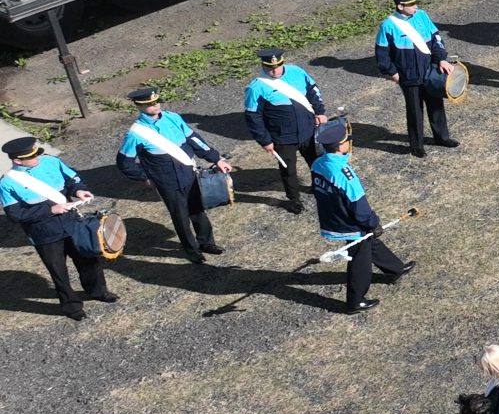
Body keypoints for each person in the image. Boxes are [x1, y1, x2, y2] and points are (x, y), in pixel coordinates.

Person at [2, 134, 114, 317]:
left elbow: (72, 179)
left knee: (88, 258)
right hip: (44, 233)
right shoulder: (7, 183)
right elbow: (16, 214)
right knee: (58, 272)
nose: (37, 157)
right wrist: (50, 210)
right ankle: (72, 307)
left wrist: (79, 190)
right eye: (32, 156)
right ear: (17, 161)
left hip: (71, 222)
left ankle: (98, 291)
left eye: (37, 153)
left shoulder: (51, 162)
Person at [117, 85, 228, 263]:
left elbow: (194, 140)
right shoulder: (135, 134)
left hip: (188, 173)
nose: (155, 106)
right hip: (167, 182)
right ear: (139, 106)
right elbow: (124, 162)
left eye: (156, 102)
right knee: (181, 217)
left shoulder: (173, 118)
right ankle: (192, 251)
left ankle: (207, 243)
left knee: (198, 210)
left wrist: (216, 159)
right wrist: (145, 177)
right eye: (150, 104)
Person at [309, 121, 404, 312]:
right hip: (350, 223)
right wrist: (373, 223)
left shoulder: (317, 163)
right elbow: (359, 207)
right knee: (360, 260)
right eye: (347, 140)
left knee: (369, 242)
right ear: (340, 146)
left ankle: (395, 268)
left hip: (333, 215)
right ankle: (355, 301)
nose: (348, 142)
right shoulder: (345, 175)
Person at [241, 48, 329, 214]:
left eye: (278, 66)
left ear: (282, 62)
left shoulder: (297, 72)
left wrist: (320, 111)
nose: (274, 70)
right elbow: (253, 117)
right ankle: (294, 199)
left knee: (316, 162)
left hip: (308, 130)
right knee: (288, 170)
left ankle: (319, 186)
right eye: (270, 67)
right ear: (263, 65)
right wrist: (265, 140)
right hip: (282, 138)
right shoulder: (256, 87)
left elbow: (313, 90)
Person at [374, 0, 458, 157]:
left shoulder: (422, 15)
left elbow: (436, 38)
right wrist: (393, 73)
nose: (415, 6)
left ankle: (442, 137)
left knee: (436, 105)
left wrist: (441, 58)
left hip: (429, 70)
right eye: (411, 4)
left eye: (415, 3)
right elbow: (381, 54)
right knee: (414, 111)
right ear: (400, 6)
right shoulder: (388, 25)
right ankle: (417, 146)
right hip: (408, 76)